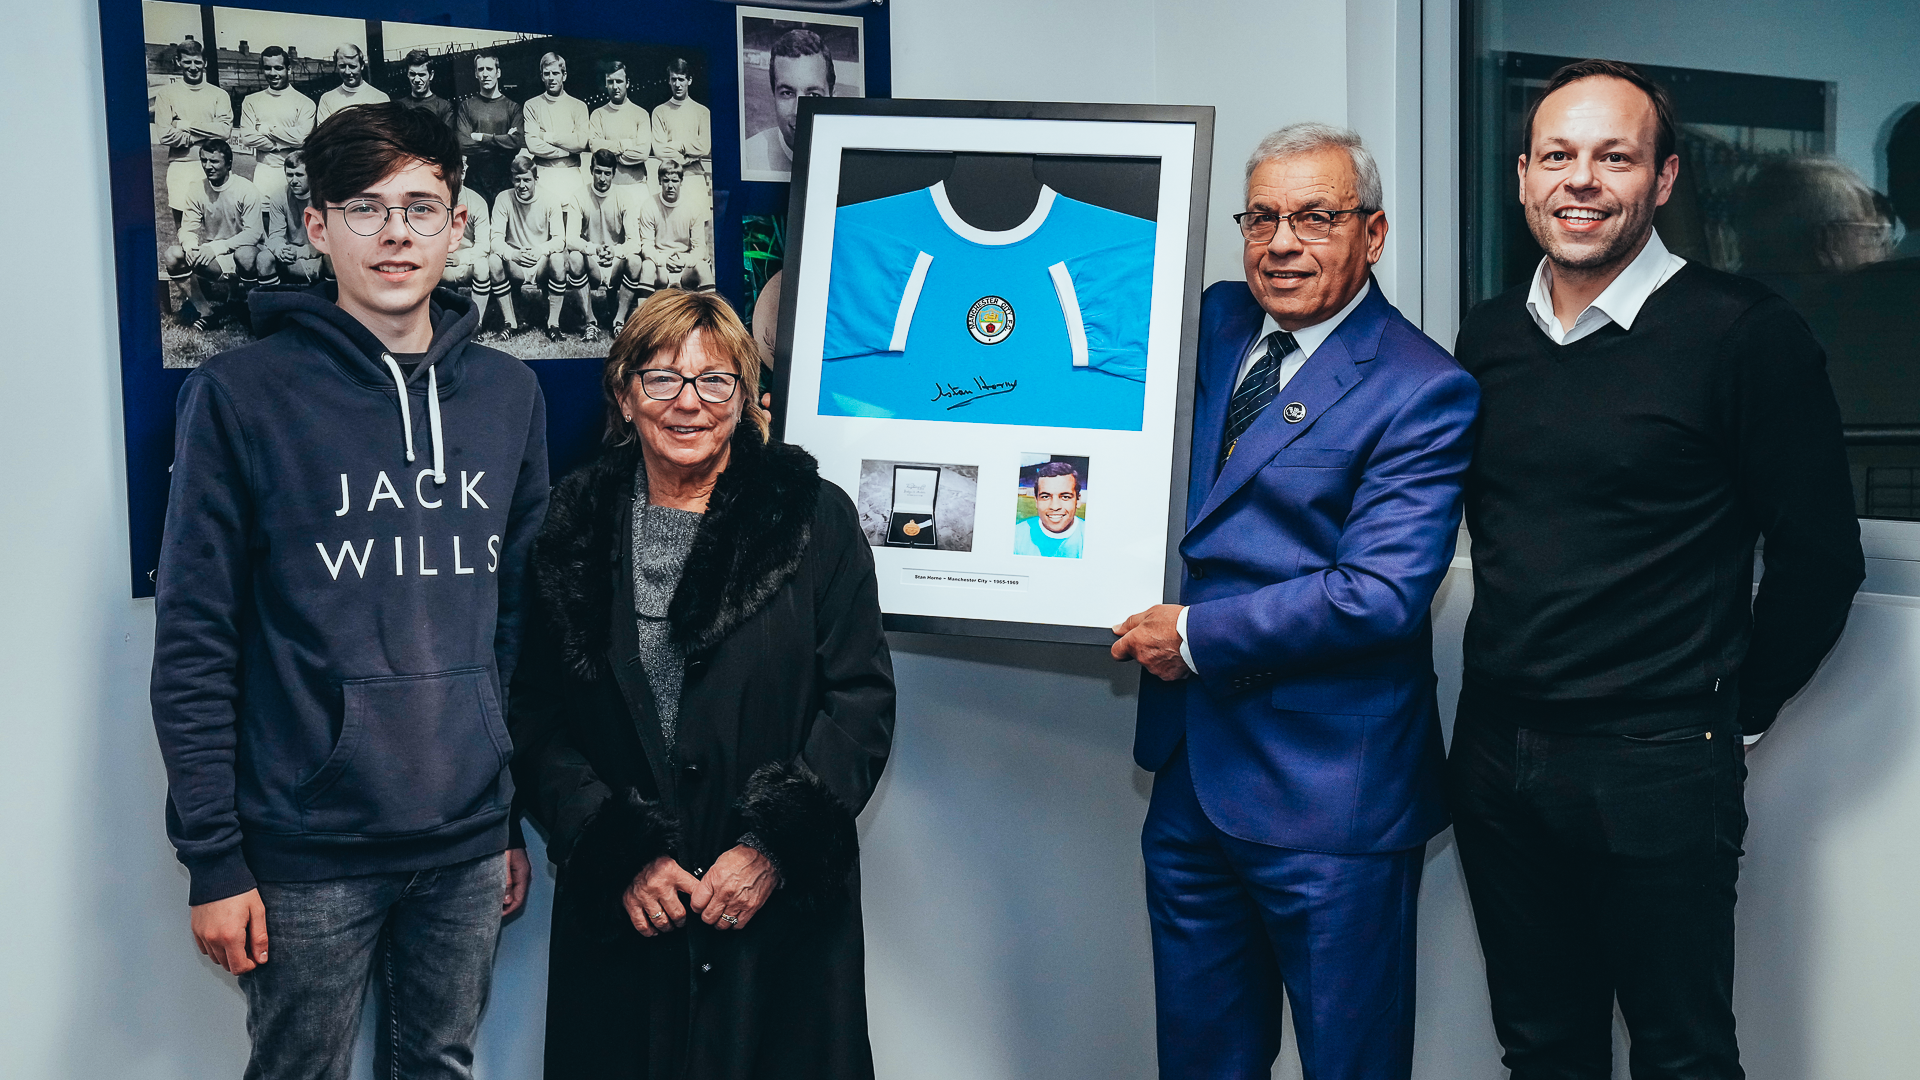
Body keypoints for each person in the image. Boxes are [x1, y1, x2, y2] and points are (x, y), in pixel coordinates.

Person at [1448, 59, 1865, 1080]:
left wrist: (1731, 708)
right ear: (1523, 176)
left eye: (1614, 157)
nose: (1581, 180)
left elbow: (1822, 560)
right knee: (1541, 1047)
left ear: (1664, 180)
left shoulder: (1746, 336)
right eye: (1558, 155)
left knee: (1681, 1054)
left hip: (1658, 758)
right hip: (1498, 751)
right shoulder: (1490, 336)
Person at [151, 100, 548, 1080]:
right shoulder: (241, 397)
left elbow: (514, 627)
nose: (398, 232)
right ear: (317, 224)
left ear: (462, 223)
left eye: (423, 204)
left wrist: (504, 819)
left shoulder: (509, 399)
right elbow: (199, 640)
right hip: (304, 848)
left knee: (443, 1067)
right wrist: (215, 859)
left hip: (465, 843)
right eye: (367, 208)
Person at [1112, 122, 1478, 1080]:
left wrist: (1194, 635)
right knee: (1201, 1061)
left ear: (1374, 233)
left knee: (1348, 1065)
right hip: (1190, 778)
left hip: (1332, 801)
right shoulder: (1217, 321)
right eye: (1262, 217)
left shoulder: (1423, 387)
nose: (1282, 243)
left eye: (1317, 217)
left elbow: (1381, 594)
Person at [509, 288, 893, 1078]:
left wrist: (771, 847)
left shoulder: (813, 518)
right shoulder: (572, 526)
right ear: (624, 393)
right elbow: (537, 716)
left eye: (714, 381)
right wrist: (615, 850)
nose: (689, 404)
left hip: (773, 912)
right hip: (629, 912)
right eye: (662, 379)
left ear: (746, 397)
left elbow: (860, 703)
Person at [162, 138, 265, 329]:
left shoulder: (246, 189)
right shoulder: (196, 188)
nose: (208, 166)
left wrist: (216, 247)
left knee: (246, 254)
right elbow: (188, 227)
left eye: (214, 161)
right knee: (172, 255)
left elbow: (254, 233)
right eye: (204, 160)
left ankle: (257, 311)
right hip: (217, 258)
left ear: (229, 163)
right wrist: (191, 247)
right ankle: (206, 313)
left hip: (247, 254)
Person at [565, 150, 652, 339]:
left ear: (614, 173)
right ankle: (590, 322)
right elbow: (570, 238)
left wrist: (614, 251)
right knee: (574, 257)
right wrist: (594, 249)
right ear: (591, 170)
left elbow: (634, 242)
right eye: (598, 172)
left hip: (616, 261)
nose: (602, 178)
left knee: (636, 261)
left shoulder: (625, 197)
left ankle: (619, 321)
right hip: (592, 260)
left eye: (607, 173)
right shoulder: (579, 196)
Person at [151, 38, 233, 231]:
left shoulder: (219, 95)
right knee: (185, 232)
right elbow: (164, 134)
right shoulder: (166, 94)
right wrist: (202, 136)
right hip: (181, 166)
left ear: (205, 63)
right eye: (187, 62)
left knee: (219, 230)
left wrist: (185, 125)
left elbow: (224, 131)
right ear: (178, 62)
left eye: (197, 62)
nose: (193, 67)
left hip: (215, 165)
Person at [488, 151, 570, 341]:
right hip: (516, 261)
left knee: (558, 258)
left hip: (540, 260)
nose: (522, 185)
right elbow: (495, 240)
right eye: (518, 180)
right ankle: (510, 323)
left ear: (535, 179)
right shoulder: (503, 198)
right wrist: (513, 254)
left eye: (527, 180)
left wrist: (540, 250)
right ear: (512, 179)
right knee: (493, 260)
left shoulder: (550, 199)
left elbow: (560, 239)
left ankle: (553, 324)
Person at [743, 28, 833, 176]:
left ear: (833, 97)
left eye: (814, 96)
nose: (798, 110)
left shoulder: (855, 161)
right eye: (787, 93)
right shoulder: (748, 158)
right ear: (774, 96)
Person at [236, 46, 316, 202]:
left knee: (296, 224)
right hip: (264, 172)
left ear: (289, 69)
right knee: (265, 222)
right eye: (268, 68)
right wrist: (283, 144)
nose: (273, 73)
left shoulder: (305, 103)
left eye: (278, 68)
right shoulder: (251, 101)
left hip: (296, 172)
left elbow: (301, 139)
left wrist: (265, 129)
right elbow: (247, 138)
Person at [522, 51, 589, 206]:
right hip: (543, 174)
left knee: (571, 227)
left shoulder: (578, 106)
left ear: (564, 75)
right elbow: (533, 145)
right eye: (547, 74)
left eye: (555, 73)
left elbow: (580, 143)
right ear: (542, 76)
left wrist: (546, 136)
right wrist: (566, 151)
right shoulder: (531, 105)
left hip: (571, 175)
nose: (551, 78)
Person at [454, 52, 520, 205]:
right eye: (481, 69)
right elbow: (462, 144)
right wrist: (502, 145)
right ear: (476, 74)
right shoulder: (467, 106)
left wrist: (483, 137)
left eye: (489, 69)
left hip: (505, 181)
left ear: (498, 72)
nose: (485, 74)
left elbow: (516, 143)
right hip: (475, 181)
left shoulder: (512, 107)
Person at [258, 149, 324, 287]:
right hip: (290, 256)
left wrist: (301, 252)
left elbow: (331, 241)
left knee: (333, 260)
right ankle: (273, 305)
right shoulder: (278, 196)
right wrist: (280, 249)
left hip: (318, 255)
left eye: (299, 175)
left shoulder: (324, 198)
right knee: (263, 258)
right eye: (289, 175)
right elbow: (275, 234)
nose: (293, 181)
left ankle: (328, 302)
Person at [644, 162, 713, 291]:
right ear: (659, 181)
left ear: (681, 181)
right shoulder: (649, 206)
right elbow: (646, 247)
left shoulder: (693, 208)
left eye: (674, 181)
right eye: (666, 180)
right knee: (647, 266)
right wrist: (664, 260)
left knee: (703, 266)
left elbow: (699, 248)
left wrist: (685, 261)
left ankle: (711, 311)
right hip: (661, 267)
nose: (670, 186)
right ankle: (643, 311)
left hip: (685, 267)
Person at [444, 178, 497, 330]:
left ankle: (477, 324)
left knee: (482, 266)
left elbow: (484, 246)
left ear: (465, 171)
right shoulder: (434, 197)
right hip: (442, 261)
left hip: (467, 261)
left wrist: (461, 258)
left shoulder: (476, 202)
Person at [587, 60, 650, 186]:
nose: (615, 86)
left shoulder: (641, 114)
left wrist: (611, 156)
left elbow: (643, 153)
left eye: (619, 81)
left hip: (636, 185)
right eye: (610, 82)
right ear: (606, 84)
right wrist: (627, 144)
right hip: (608, 187)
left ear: (627, 83)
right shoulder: (598, 114)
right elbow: (595, 147)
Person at [651, 57, 710, 174]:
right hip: (669, 177)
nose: (677, 84)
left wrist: (679, 146)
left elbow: (704, 147)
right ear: (669, 81)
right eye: (673, 79)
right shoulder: (659, 111)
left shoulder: (702, 112)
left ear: (689, 80)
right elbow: (659, 150)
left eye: (681, 79)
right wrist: (686, 159)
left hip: (695, 176)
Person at [1013, 461, 1085, 557]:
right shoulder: (1016, 537)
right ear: (1036, 501)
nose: (1055, 507)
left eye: (1065, 497)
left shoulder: (1092, 538)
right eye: (1046, 497)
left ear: (1078, 500)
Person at [314, 43, 388, 124]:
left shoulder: (380, 98)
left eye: (352, 66)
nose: (347, 72)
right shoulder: (327, 99)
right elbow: (324, 135)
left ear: (362, 65)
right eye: (342, 66)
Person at [397, 49, 454, 130]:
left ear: (431, 75)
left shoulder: (444, 107)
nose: (416, 79)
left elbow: (446, 140)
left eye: (421, 75)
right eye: (412, 74)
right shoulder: (399, 107)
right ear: (407, 74)